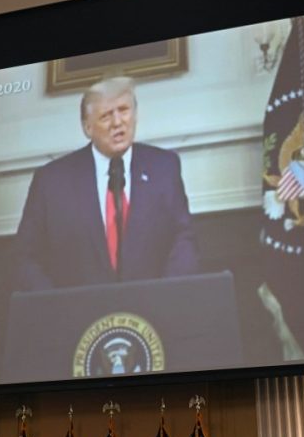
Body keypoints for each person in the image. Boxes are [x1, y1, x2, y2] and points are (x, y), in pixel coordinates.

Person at [14, 76, 200, 291]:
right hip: (79, 317)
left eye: (124, 110)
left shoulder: (164, 167)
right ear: (87, 127)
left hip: (152, 313)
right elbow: (26, 258)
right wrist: (58, 309)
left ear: (135, 115)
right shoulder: (52, 181)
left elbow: (184, 239)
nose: (117, 122)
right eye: (105, 116)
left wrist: (167, 295)